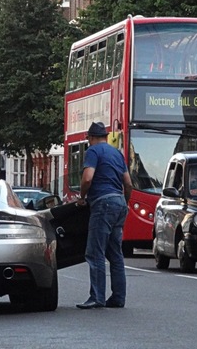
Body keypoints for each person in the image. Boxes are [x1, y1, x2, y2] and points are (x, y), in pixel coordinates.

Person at [76, 121, 133, 309]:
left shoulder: (93, 151)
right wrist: (125, 202)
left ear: (91, 138)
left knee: (95, 252)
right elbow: (128, 183)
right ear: (106, 137)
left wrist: (82, 197)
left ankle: (97, 297)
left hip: (103, 203)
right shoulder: (117, 153)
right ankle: (118, 297)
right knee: (115, 253)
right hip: (119, 203)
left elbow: (88, 178)